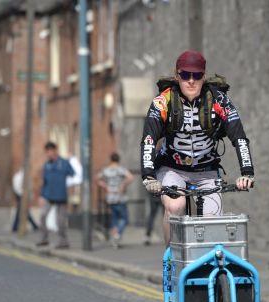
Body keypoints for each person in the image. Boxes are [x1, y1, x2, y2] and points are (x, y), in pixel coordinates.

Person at [140, 50, 255, 246]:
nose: (191, 81)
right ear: (177, 76)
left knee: (212, 220)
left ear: (204, 76)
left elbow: (239, 137)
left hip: (207, 171)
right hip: (171, 169)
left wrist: (247, 173)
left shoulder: (219, 101)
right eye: (185, 75)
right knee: (176, 206)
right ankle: (171, 259)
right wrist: (148, 176)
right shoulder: (163, 102)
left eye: (197, 75)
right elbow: (149, 139)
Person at [37, 142, 75, 249]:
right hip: (48, 196)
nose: (48, 154)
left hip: (61, 196)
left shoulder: (64, 163)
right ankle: (44, 239)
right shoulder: (47, 165)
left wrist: (71, 189)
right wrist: (41, 196)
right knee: (43, 216)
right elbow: (44, 181)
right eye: (46, 152)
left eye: (49, 151)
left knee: (60, 221)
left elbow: (73, 175)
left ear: (54, 151)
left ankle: (63, 241)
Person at [98, 153, 134, 248]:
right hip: (120, 197)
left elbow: (97, 178)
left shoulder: (106, 170)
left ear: (111, 160)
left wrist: (105, 186)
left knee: (114, 219)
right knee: (124, 219)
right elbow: (130, 177)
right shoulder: (121, 169)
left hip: (110, 197)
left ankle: (115, 239)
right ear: (118, 160)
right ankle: (117, 234)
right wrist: (123, 185)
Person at [11, 168, 39, 232]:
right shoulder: (21, 176)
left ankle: (15, 227)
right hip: (22, 196)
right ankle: (15, 227)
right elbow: (18, 187)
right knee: (22, 211)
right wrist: (25, 194)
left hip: (21, 195)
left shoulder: (18, 176)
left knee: (23, 211)